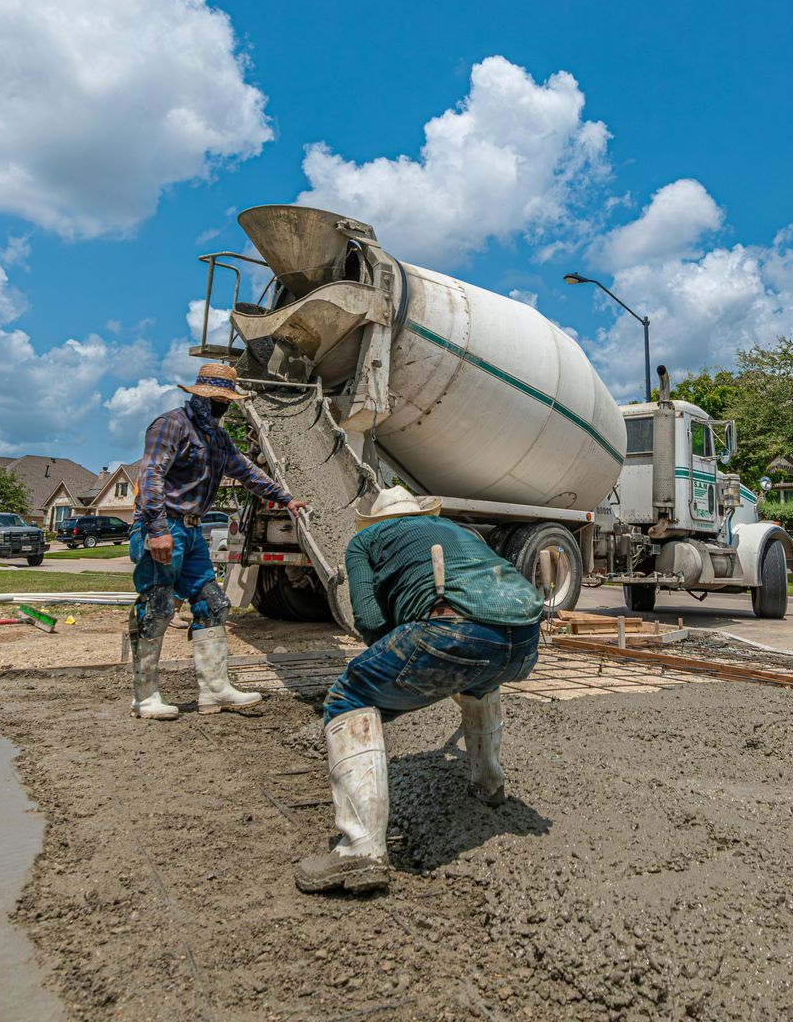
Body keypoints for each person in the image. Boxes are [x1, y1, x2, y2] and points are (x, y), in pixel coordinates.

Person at [295, 486, 545, 896]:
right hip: (523, 643)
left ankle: (360, 850)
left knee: (348, 696)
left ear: (377, 519)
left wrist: (403, 658)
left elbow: (370, 619)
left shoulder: (365, 540)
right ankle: (489, 784)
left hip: (453, 632)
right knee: (478, 685)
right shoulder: (457, 529)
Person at [129, 362, 307, 721]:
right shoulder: (172, 425)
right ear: (202, 397)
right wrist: (158, 529)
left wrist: (286, 497)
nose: (222, 406)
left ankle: (214, 689)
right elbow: (151, 476)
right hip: (165, 527)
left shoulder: (217, 438)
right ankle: (145, 697)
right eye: (218, 400)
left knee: (213, 603)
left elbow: (245, 470)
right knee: (158, 604)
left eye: (226, 401)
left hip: (193, 532)